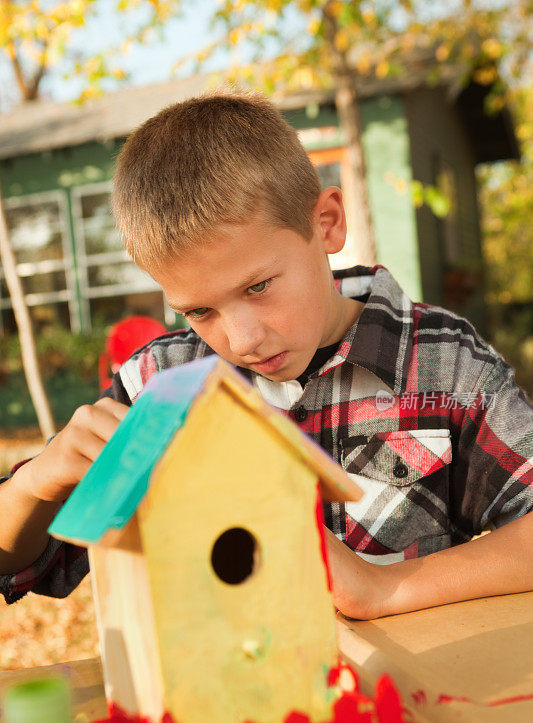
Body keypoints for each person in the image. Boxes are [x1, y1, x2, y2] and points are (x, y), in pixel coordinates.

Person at [0, 92, 532, 619]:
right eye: (199, 311)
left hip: (404, 694)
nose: (241, 339)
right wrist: (32, 484)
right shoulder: (158, 386)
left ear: (326, 224)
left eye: (258, 287)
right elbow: (24, 561)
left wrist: (387, 587)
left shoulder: (444, 363)